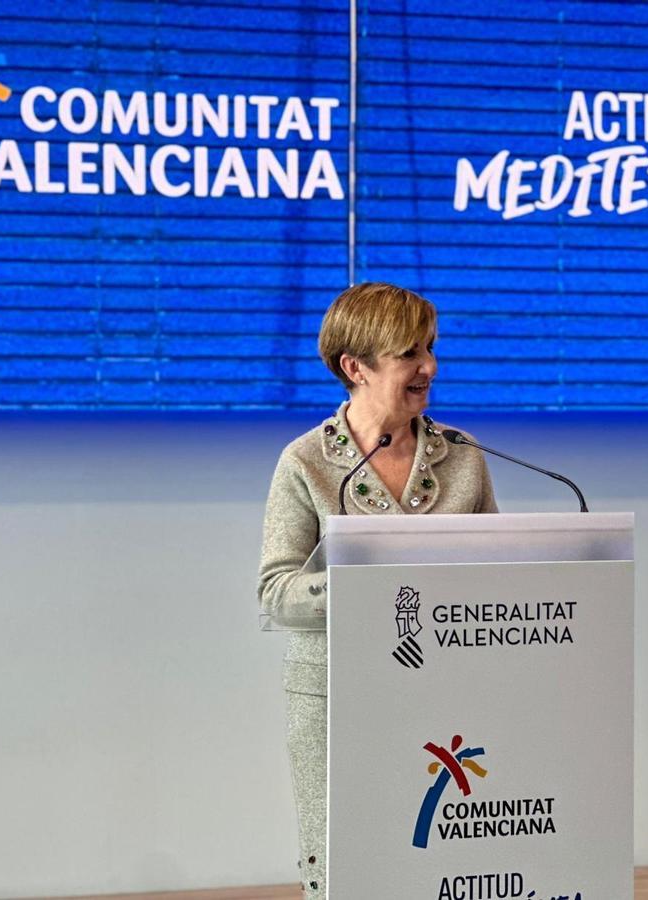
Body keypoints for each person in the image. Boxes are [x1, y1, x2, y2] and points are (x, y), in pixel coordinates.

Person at [257, 282, 498, 898]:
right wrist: (365, 589)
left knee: (438, 861)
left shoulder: (463, 456)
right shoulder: (305, 462)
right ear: (355, 367)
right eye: (409, 353)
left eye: (431, 349)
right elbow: (276, 591)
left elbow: (496, 571)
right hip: (336, 694)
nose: (429, 367)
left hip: (445, 692)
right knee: (348, 866)